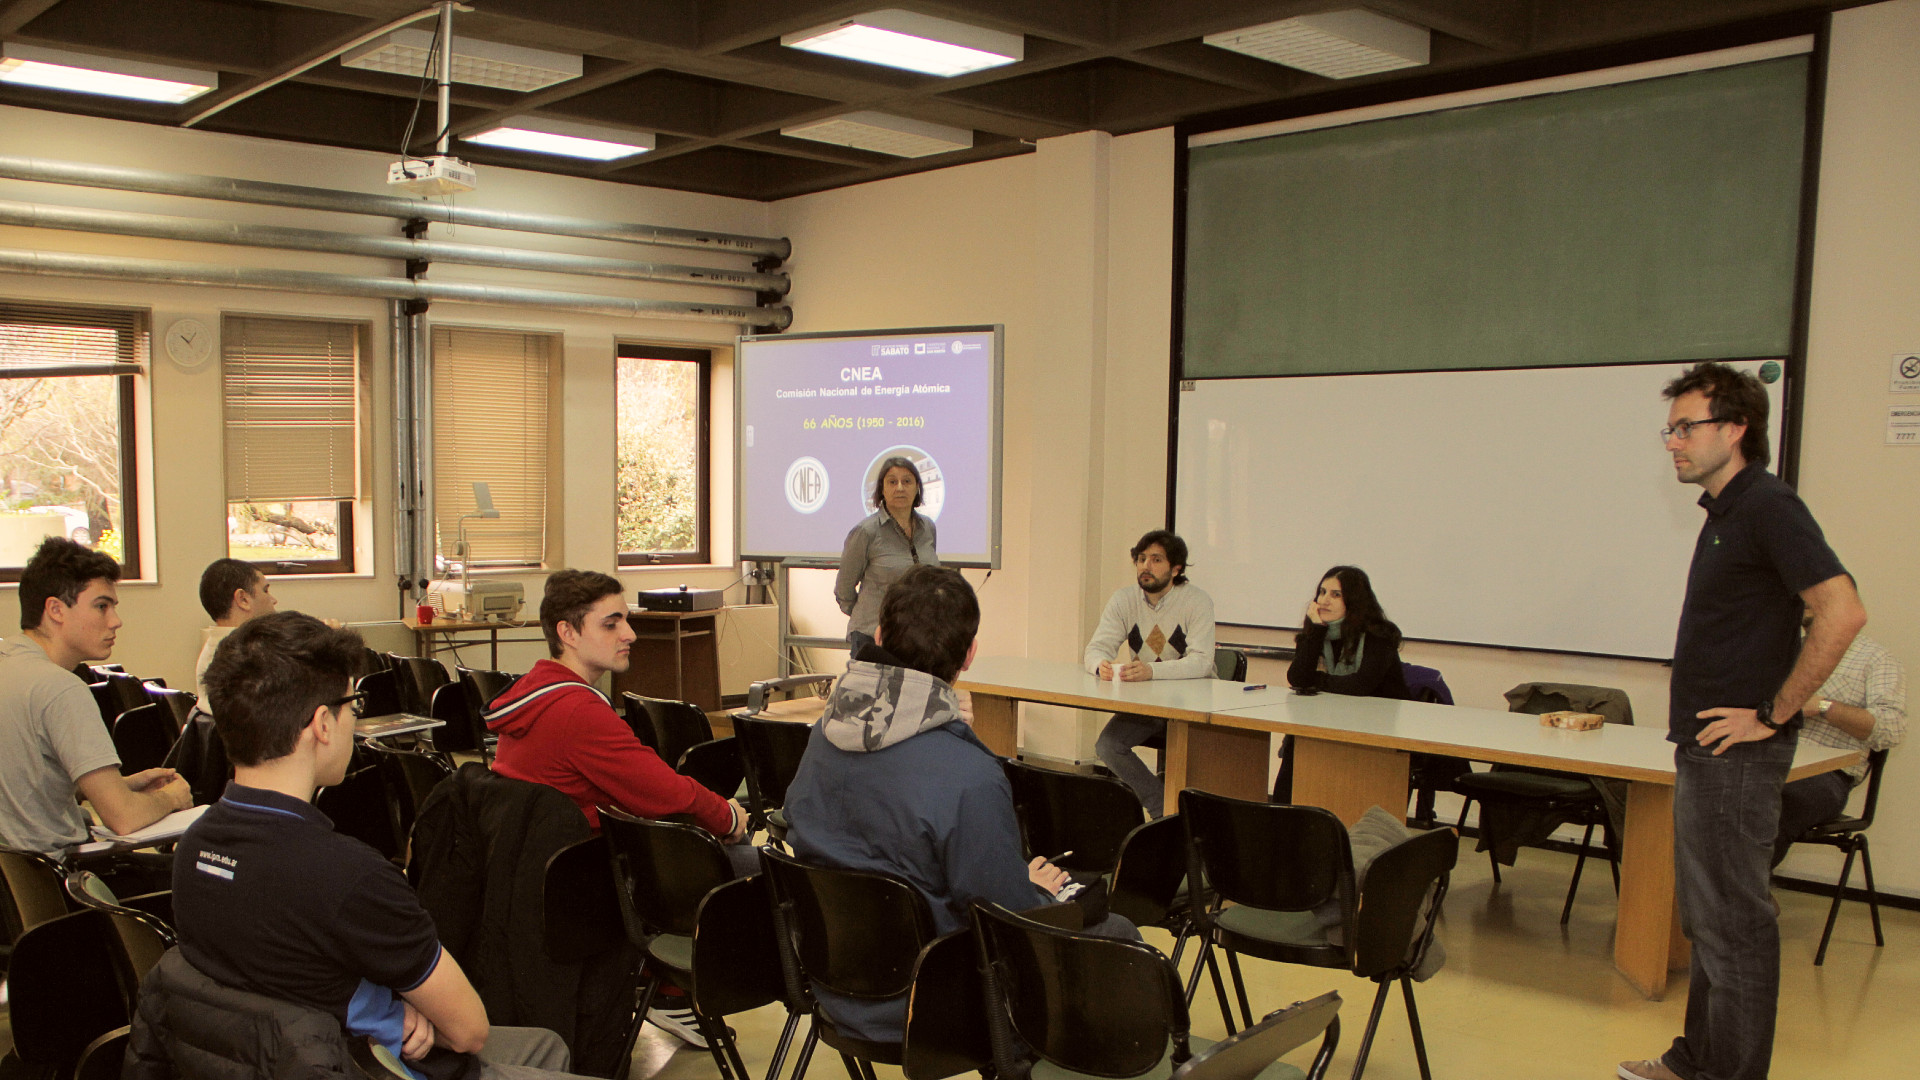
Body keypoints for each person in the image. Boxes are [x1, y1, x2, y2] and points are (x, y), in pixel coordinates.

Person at [171, 611, 581, 1080]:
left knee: (543, 1046)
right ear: (323, 723)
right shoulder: (350, 876)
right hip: (360, 1064)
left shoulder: (193, 847)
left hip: (269, 1059)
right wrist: (387, 1016)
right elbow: (469, 1032)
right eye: (353, 704)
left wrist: (370, 1009)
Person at [1621, 362, 1865, 1080]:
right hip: (1704, 750)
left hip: (1738, 758)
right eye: (1670, 428)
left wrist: (1772, 714)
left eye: (1687, 427)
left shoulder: (1767, 505)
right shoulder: (1729, 512)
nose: (1673, 442)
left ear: (1735, 429)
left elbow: (1843, 610)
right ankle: (1697, 1059)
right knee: (1710, 924)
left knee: (1736, 928)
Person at [787, 564, 1135, 1044]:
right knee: (1118, 935)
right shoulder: (970, 776)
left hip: (831, 985)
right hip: (932, 1002)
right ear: (969, 655)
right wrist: (1033, 889)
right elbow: (1007, 917)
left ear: (881, 634)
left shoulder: (823, 735)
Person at [1, 537, 190, 860]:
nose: (115, 620)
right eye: (102, 606)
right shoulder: (60, 688)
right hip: (58, 886)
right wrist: (172, 798)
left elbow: (24, 787)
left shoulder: (10, 664)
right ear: (55, 609)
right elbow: (124, 818)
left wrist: (121, 786)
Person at [1084, 530, 1215, 816]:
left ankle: (1178, 813)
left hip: (1191, 704)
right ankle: (1163, 809)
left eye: (1156, 560)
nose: (1146, 566)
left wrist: (1151, 672)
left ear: (1176, 568)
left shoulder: (1196, 601)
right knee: (1108, 745)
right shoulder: (1124, 600)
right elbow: (1095, 648)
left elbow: (1203, 662)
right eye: (1141, 559)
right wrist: (1100, 665)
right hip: (1148, 704)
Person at [1772, 619, 1904, 867]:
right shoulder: (1782, 652)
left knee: (1767, 802)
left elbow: (1891, 729)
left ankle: (1739, 899)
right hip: (1770, 761)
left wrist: (1823, 707)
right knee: (1708, 791)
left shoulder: (1874, 658)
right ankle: (1702, 895)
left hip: (1826, 776)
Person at [834, 456, 938, 658]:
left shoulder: (928, 528)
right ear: (882, 489)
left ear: (917, 487)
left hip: (917, 637)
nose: (900, 487)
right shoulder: (865, 532)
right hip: (872, 637)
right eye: (892, 482)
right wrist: (871, 616)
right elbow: (844, 589)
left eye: (907, 481)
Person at [1285, 566, 1410, 699]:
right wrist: (1317, 629)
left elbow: (1360, 685)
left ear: (1354, 601)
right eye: (1322, 592)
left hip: (1382, 712)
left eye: (1336, 595)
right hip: (1336, 710)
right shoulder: (1318, 630)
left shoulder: (1379, 633)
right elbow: (1297, 678)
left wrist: (1315, 680)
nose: (1324, 601)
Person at [194, 557, 278, 713]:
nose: (274, 600)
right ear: (243, 599)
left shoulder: (211, 649)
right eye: (265, 590)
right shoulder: (250, 657)